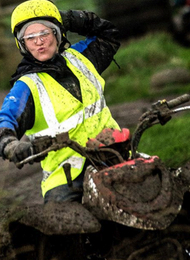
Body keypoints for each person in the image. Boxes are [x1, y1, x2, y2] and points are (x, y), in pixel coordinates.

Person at [0, 0, 122, 204]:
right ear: (23, 44)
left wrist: (63, 17)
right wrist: (11, 147)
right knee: (68, 228)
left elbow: (108, 33)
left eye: (45, 33)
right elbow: (5, 122)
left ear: (57, 34)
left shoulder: (82, 58)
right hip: (67, 179)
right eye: (30, 38)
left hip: (113, 155)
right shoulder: (26, 87)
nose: (39, 42)